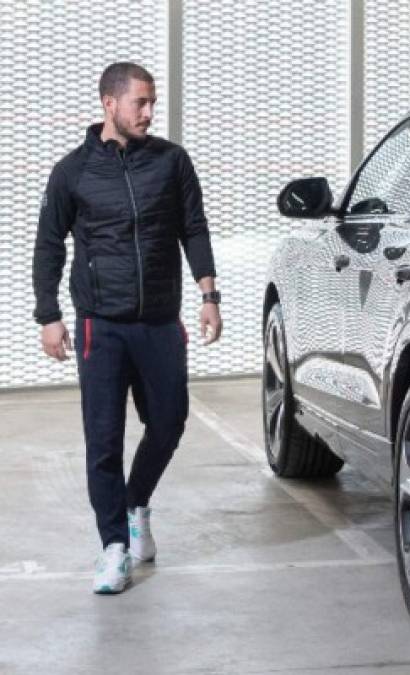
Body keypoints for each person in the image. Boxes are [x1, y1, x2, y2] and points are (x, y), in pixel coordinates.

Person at [32, 62, 222, 594]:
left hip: (161, 321)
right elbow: (49, 246)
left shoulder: (171, 162)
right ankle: (113, 545)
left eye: (152, 102)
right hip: (102, 325)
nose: (148, 112)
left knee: (169, 422)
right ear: (108, 104)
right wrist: (49, 315)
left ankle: (136, 503)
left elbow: (194, 228)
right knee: (104, 440)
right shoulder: (73, 171)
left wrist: (209, 295)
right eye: (139, 102)